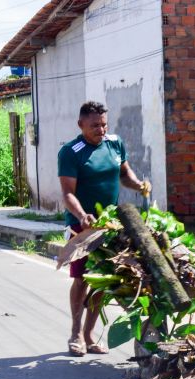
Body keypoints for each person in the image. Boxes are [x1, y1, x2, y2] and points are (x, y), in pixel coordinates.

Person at [58, 101, 151, 356]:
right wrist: (81, 215)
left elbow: (124, 175)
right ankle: (75, 332)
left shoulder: (114, 143)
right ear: (81, 125)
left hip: (109, 224)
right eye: (94, 125)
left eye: (103, 124)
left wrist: (139, 185)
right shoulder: (71, 151)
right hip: (82, 226)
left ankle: (89, 333)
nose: (101, 129)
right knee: (81, 279)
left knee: (103, 280)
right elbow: (67, 193)